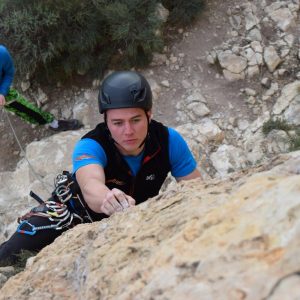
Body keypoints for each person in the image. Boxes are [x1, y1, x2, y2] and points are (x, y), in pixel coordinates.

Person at [0, 70, 201, 265]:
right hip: (70, 215)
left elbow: (196, 190)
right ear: (105, 121)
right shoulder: (91, 145)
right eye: (117, 123)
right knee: (9, 254)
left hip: (135, 220)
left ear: (149, 115)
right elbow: (90, 184)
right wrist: (107, 198)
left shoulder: (169, 141)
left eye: (136, 120)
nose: (128, 131)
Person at [0, 45, 83, 131]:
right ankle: (54, 124)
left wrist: (2, 92)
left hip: (6, 94)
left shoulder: (1, 52)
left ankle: (54, 124)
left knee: (28, 110)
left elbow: (9, 72)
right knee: (26, 111)